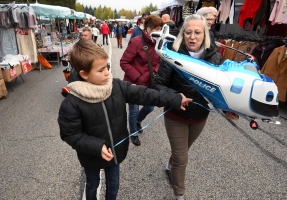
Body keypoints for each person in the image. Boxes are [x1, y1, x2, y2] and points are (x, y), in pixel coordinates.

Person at [58, 39, 192, 200]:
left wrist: (174, 99)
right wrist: (96, 146)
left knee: (113, 186)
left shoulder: (117, 86)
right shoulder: (72, 102)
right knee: (92, 184)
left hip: (116, 151)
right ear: (84, 74)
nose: (107, 72)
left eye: (107, 67)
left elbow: (145, 94)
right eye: (100, 70)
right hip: (91, 156)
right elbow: (70, 134)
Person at [153, 14, 239, 200]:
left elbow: (220, 90)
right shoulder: (172, 54)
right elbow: (157, 84)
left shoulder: (216, 58)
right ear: (183, 34)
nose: (192, 36)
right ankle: (179, 195)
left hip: (200, 116)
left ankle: (170, 165)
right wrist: (175, 97)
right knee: (182, 158)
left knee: (182, 152)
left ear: (204, 34)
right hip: (176, 115)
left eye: (197, 32)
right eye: (188, 32)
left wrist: (227, 109)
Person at [120, 15, 163, 146]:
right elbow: (124, 62)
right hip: (133, 83)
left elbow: (158, 61)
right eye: (158, 28)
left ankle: (138, 121)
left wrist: (155, 71)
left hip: (149, 83)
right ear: (149, 29)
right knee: (133, 110)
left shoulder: (158, 43)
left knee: (149, 107)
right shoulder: (136, 42)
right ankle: (133, 133)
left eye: (161, 28)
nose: (160, 31)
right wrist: (138, 77)